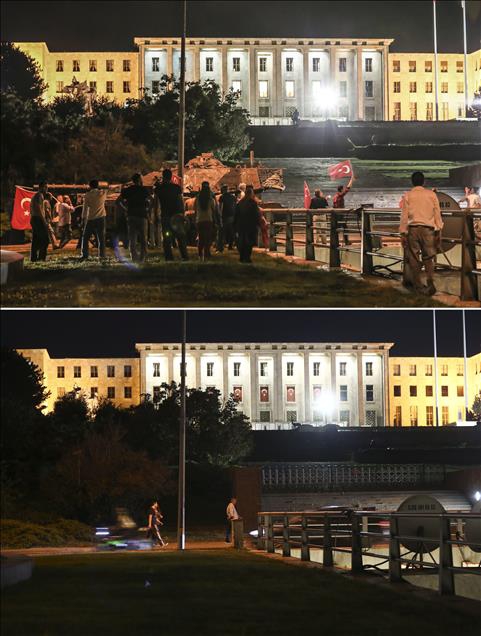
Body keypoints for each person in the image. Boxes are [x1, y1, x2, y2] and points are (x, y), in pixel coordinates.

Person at [399, 171, 443, 296]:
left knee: (413, 257)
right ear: (424, 182)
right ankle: (430, 283)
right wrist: (438, 230)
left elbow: (404, 216)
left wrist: (403, 233)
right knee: (429, 257)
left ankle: (417, 285)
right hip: (428, 230)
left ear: (412, 182)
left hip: (413, 229)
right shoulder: (431, 195)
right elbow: (437, 214)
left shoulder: (408, 195)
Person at [154, 169, 188, 261]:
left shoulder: (159, 189)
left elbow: (156, 203)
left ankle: (169, 258)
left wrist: (156, 216)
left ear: (163, 176)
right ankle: (184, 256)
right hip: (176, 215)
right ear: (171, 177)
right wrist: (182, 213)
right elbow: (180, 201)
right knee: (180, 237)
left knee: (167, 237)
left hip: (165, 216)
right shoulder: (176, 188)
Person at [120, 173, 151, 263]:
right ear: (139, 180)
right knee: (143, 238)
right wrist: (148, 209)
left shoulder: (128, 190)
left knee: (132, 238)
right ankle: (143, 258)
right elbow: (151, 200)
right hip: (142, 215)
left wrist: (125, 208)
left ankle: (134, 258)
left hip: (131, 215)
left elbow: (119, 201)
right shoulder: (144, 190)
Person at [80, 179, 108, 260]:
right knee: (101, 238)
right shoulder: (102, 193)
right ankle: (102, 255)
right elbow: (112, 189)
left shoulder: (87, 195)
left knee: (85, 237)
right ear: (98, 185)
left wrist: (83, 219)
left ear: (90, 186)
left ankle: (85, 254)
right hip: (101, 217)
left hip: (91, 218)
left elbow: (85, 208)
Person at [234, 185, 261, 263]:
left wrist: (235, 225)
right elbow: (256, 214)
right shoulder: (253, 203)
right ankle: (247, 257)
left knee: (242, 241)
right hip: (250, 225)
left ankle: (242, 257)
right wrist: (258, 224)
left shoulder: (240, 203)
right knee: (250, 242)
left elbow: (236, 214)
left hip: (241, 225)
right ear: (251, 194)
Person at [195, 181, 217, 261]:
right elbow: (214, 209)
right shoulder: (210, 199)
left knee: (201, 238)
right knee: (208, 238)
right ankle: (207, 254)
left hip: (200, 220)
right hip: (208, 220)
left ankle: (200, 254)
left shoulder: (197, 197)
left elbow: (195, 209)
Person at [29, 181, 50, 262]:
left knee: (36, 240)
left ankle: (33, 258)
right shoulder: (39, 195)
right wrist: (44, 220)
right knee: (45, 239)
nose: (47, 189)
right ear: (41, 187)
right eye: (45, 187)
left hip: (34, 219)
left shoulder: (35, 195)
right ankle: (42, 257)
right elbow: (39, 209)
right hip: (38, 219)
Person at [332, 175, 354, 245]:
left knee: (339, 228)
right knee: (344, 228)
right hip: (340, 215)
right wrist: (351, 180)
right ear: (341, 189)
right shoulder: (340, 195)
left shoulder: (335, 196)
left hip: (336, 214)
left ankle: (339, 241)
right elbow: (348, 189)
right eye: (343, 189)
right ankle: (345, 241)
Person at [216, 184, 236, 252]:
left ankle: (220, 248)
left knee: (221, 233)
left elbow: (220, 207)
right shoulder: (233, 197)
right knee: (231, 232)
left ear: (223, 190)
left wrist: (219, 217)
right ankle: (230, 246)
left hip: (224, 217)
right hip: (232, 217)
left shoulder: (222, 197)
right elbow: (235, 206)